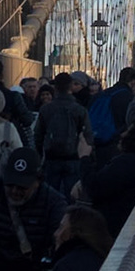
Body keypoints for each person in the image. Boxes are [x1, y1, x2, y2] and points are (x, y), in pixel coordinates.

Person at [76, 119, 135, 237]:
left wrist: (84, 157)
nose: (122, 134)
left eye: (128, 132)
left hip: (113, 226)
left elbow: (95, 187)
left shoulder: (128, 163)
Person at [33, 71, 91, 199]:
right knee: (71, 196)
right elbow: (87, 136)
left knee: (49, 196)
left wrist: (40, 155)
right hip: (73, 158)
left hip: (51, 158)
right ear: (70, 87)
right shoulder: (80, 110)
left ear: (55, 88)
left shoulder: (46, 109)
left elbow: (38, 135)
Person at [90, 67, 134, 167]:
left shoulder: (102, 94)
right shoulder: (129, 97)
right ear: (132, 81)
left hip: (97, 143)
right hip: (117, 144)